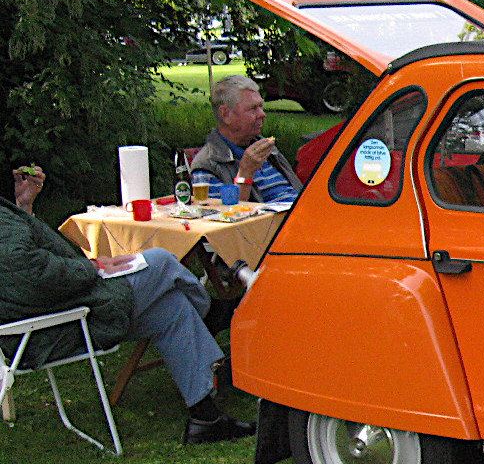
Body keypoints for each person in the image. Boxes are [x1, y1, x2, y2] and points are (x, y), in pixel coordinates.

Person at [2, 166, 254, 444]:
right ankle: (212, 313)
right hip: (49, 330)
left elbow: (19, 265)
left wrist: (24, 205)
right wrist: (94, 267)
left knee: (172, 308)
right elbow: (31, 273)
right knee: (160, 261)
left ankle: (205, 419)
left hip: (61, 311)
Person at [189, 76, 302, 205]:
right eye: (253, 108)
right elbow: (221, 214)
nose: (262, 114)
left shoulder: (265, 148)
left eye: (261, 106)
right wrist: (246, 172)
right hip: (280, 218)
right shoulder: (208, 164)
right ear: (225, 114)